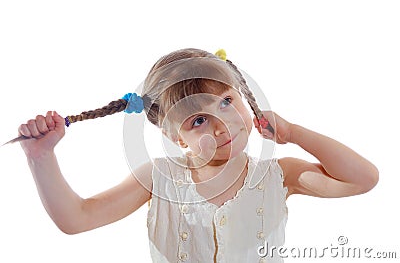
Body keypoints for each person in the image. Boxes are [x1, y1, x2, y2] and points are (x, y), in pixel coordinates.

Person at [17, 48, 379, 262]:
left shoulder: (279, 176)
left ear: (243, 97)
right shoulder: (158, 179)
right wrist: (41, 157)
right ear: (174, 136)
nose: (222, 126)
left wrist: (293, 133)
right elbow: (76, 218)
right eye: (199, 119)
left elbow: (362, 179)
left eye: (226, 102)